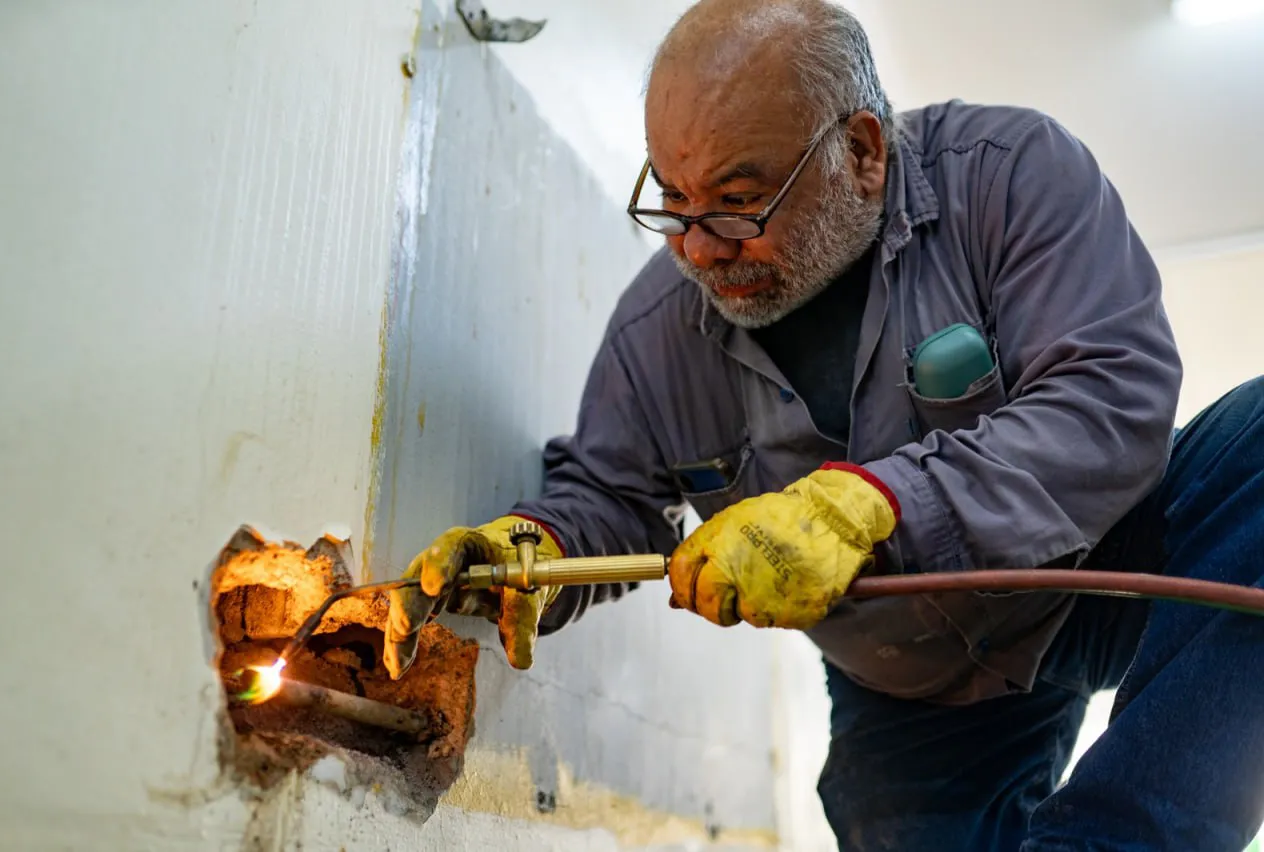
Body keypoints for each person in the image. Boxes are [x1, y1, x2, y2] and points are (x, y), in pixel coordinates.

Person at [383, 0, 1264, 848]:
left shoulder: (1010, 174)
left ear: (863, 151)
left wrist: (873, 506)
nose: (698, 248)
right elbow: (609, 493)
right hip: (909, 684)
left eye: (737, 200)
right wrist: (531, 547)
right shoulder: (656, 332)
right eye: (673, 203)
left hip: (1103, 570)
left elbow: (1109, 395)